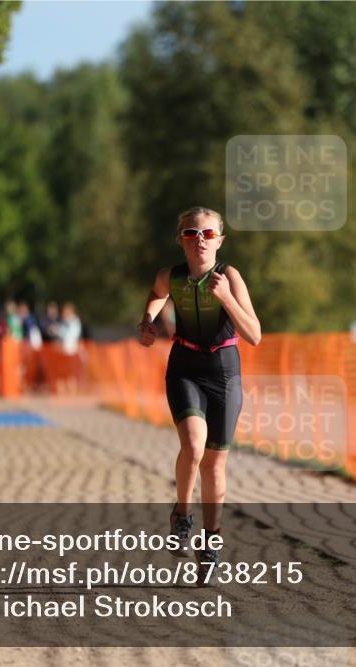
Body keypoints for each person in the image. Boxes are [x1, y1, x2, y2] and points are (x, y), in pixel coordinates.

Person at [137, 206, 261, 581]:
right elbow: (157, 293)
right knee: (193, 445)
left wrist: (226, 299)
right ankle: (181, 514)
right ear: (181, 241)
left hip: (224, 372)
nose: (200, 240)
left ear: (220, 240)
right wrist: (148, 320)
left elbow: (254, 334)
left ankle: (211, 542)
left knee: (215, 463)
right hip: (185, 367)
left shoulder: (230, 277)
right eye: (192, 234)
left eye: (208, 234)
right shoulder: (171, 277)